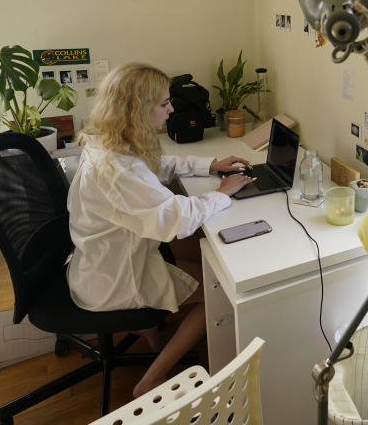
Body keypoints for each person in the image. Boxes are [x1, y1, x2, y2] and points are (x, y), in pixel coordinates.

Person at [66, 62, 255, 397]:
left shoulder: (108, 143)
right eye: (165, 103)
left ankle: (148, 328)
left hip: (100, 258)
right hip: (114, 278)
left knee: (204, 257)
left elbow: (156, 167)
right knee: (222, 290)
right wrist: (222, 192)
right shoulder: (117, 170)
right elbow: (175, 220)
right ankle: (151, 380)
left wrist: (209, 165)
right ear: (138, 109)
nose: (172, 110)